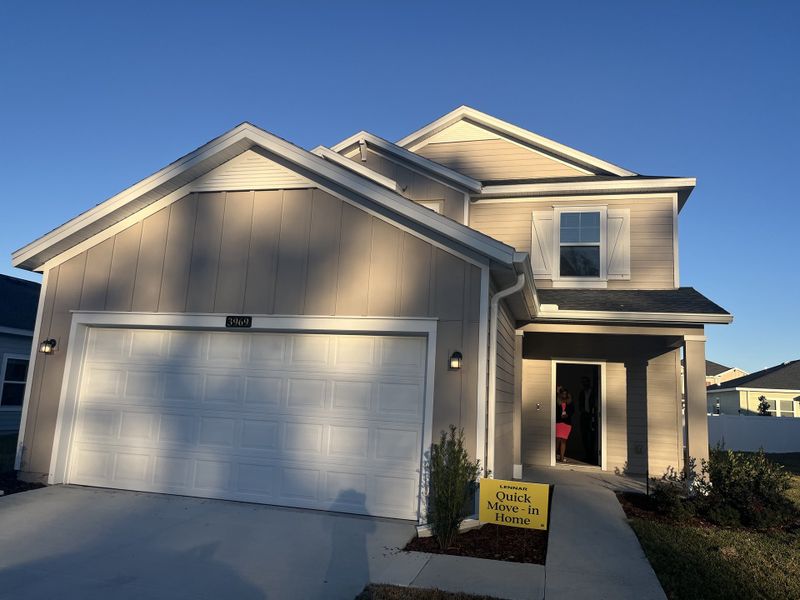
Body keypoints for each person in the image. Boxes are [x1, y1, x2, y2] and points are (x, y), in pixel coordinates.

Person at [578, 376, 598, 463]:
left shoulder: (594, 392)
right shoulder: (582, 393)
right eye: (583, 382)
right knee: (584, 436)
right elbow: (580, 404)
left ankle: (592, 456)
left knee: (592, 436)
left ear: (589, 383)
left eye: (586, 382)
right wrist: (582, 410)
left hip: (592, 416)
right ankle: (587, 455)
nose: (584, 384)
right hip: (584, 415)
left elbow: (595, 403)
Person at [555, 386, 574, 463]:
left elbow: (572, 411)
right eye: (563, 394)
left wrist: (567, 415)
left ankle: (562, 458)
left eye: (565, 394)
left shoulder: (570, 403)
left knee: (564, 441)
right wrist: (557, 391)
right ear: (560, 394)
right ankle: (553, 457)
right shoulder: (557, 402)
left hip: (567, 424)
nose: (564, 395)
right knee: (557, 440)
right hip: (559, 423)